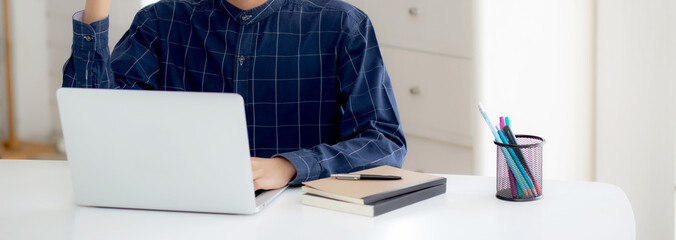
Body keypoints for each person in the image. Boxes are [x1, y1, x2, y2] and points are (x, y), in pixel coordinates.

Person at [63, 0, 406, 191]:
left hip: (301, 220)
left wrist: (290, 166)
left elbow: (384, 142)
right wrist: (97, 8)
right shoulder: (161, 20)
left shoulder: (341, 23)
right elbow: (95, 122)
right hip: (179, 213)